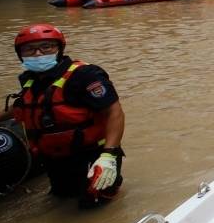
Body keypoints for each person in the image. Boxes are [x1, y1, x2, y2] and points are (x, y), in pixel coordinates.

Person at [7, 24, 125, 208]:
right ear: (20, 54)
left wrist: (109, 155)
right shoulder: (31, 79)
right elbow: (24, 105)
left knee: (94, 204)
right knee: (60, 199)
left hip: (94, 153)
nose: (38, 54)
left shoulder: (85, 75)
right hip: (57, 157)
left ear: (59, 48)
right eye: (29, 49)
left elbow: (114, 112)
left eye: (46, 46)